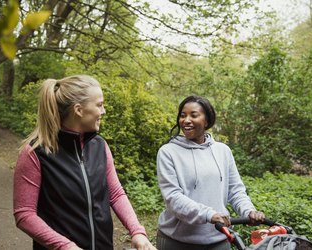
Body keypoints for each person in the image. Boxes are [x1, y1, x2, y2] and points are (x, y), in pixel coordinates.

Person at [13, 75, 156, 250]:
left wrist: (137, 231)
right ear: (79, 110)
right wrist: (66, 247)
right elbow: (24, 215)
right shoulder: (35, 153)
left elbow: (116, 194)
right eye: (99, 105)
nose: (103, 111)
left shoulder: (100, 146)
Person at [156, 95, 265, 250]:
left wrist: (249, 211)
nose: (186, 120)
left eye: (193, 115)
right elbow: (173, 197)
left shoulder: (223, 151)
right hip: (177, 241)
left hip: (218, 239)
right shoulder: (168, 152)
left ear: (207, 121)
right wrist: (209, 215)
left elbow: (235, 190)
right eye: (182, 115)